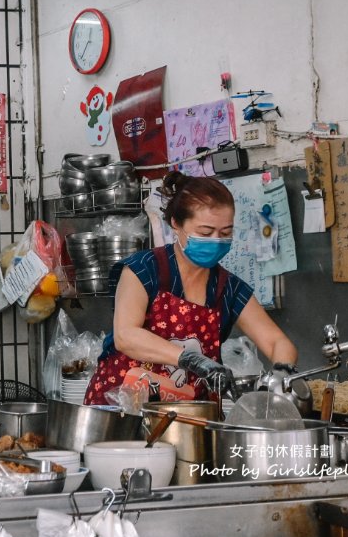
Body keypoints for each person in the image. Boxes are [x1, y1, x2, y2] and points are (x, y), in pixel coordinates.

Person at [85, 172, 298, 405]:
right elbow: (126, 336)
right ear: (176, 224)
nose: (216, 240)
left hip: (190, 419)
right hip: (122, 410)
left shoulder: (228, 289)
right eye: (205, 233)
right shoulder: (143, 269)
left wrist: (282, 372)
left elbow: (277, 342)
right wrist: (192, 360)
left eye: (226, 233)